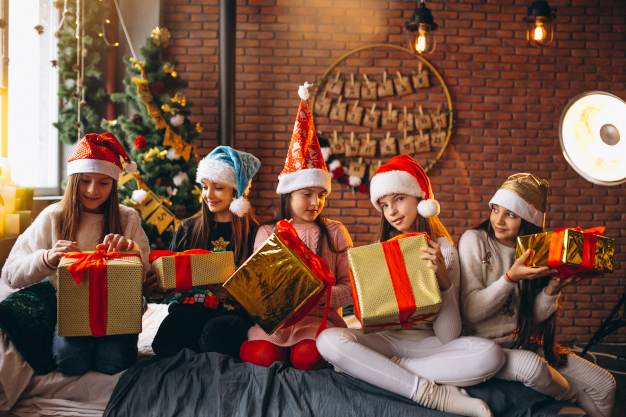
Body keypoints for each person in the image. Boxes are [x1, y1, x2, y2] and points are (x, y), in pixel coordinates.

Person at [316, 155, 505, 417]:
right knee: (327, 341)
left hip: (431, 346)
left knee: (491, 355)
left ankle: (385, 370)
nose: (391, 211)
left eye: (399, 199)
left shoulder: (445, 250)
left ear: (421, 200)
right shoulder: (378, 251)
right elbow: (371, 323)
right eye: (384, 205)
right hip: (386, 340)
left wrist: (444, 278)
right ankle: (432, 394)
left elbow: (448, 336)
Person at [459, 173, 616, 417]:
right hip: (487, 348)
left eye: (511, 214)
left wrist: (553, 288)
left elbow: (531, 318)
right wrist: (511, 278)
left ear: (528, 221)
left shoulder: (536, 249)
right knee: (564, 388)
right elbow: (471, 311)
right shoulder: (475, 240)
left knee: (606, 385)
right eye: (495, 209)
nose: (498, 220)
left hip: (525, 342)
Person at [2, 133, 150, 376]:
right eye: (85, 181)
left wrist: (131, 252)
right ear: (73, 180)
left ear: (114, 184)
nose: (93, 190)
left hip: (118, 307)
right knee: (72, 362)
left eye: (103, 182)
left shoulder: (127, 218)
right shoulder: (53, 216)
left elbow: (148, 280)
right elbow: (10, 275)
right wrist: (46, 259)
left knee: (113, 363)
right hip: (72, 308)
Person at [239, 83, 354, 371]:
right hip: (277, 325)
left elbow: (351, 287)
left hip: (319, 322)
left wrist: (317, 294)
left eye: (321, 195)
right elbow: (259, 289)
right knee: (261, 357)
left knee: (307, 358)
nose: (315, 202)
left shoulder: (335, 231)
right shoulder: (268, 233)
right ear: (288, 195)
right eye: (306, 194)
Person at [150, 146, 261, 360]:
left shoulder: (255, 234)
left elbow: (264, 296)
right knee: (164, 344)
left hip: (234, 313)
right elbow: (170, 291)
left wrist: (234, 291)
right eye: (204, 186)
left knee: (214, 340)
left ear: (236, 191)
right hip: (192, 306)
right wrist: (160, 288)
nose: (208, 195)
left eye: (218, 187)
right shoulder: (187, 229)